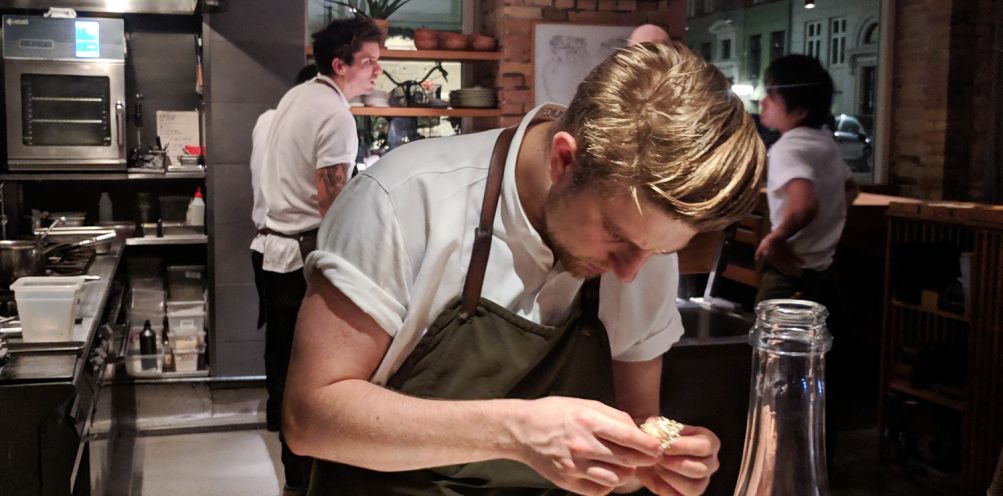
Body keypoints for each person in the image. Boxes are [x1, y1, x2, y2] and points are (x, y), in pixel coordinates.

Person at [284, 41, 765, 496]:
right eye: (616, 235)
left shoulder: (642, 243)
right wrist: (516, 432)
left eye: (656, 252)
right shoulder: (404, 198)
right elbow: (310, 417)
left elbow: (634, 427)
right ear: (563, 160)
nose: (630, 273)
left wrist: (656, 464)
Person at [257, 15, 382, 496]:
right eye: (368, 62)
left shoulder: (298, 96)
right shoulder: (335, 115)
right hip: (303, 256)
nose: (376, 73)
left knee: (286, 373)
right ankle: (305, 482)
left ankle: (295, 478)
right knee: (313, 382)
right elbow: (333, 207)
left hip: (274, 253)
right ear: (340, 64)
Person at [753, 54, 858, 308]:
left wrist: (775, 238)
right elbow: (850, 189)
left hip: (787, 274)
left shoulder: (787, 148)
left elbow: (803, 206)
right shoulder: (824, 142)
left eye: (772, 97)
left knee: (771, 341)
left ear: (799, 111)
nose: (763, 102)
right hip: (823, 268)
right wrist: (826, 228)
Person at [251, 64, 319, 332]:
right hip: (295, 253)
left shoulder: (266, 119)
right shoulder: (310, 124)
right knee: (298, 346)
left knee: (279, 342)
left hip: (263, 247)